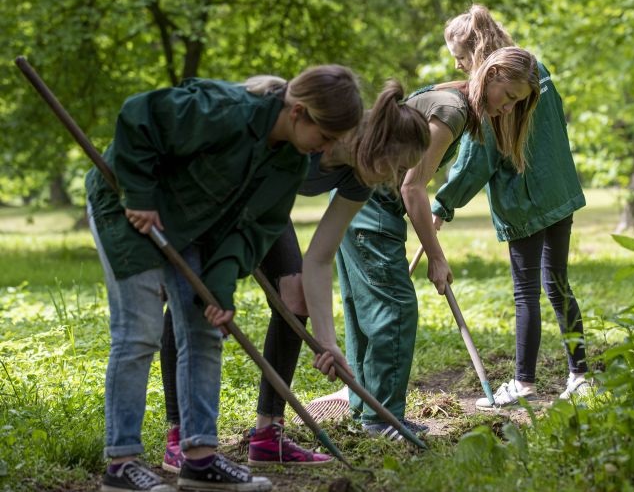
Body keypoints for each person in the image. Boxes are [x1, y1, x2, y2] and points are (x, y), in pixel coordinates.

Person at [86, 66, 362, 492]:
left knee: (204, 330)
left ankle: (200, 460)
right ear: (299, 112)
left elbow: (250, 230)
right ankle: (121, 465)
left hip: (191, 223)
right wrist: (139, 193)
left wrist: (221, 287)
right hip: (129, 208)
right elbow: (140, 115)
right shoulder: (226, 110)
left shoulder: (289, 163)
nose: (326, 149)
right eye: (325, 137)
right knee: (138, 332)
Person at [159, 80, 431, 468]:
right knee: (191, 294)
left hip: (268, 208)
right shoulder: (311, 127)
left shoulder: (360, 178)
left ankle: (268, 435)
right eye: (398, 166)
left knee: (296, 297)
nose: (397, 178)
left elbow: (319, 258)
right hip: (216, 192)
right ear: (376, 147)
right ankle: (179, 434)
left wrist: (327, 341)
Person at [337, 46, 540, 440]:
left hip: (356, 199)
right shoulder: (452, 111)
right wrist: (436, 257)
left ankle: (366, 409)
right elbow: (413, 187)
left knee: (365, 310)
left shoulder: (455, 96)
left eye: (517, 104)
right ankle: (382, 419)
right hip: (372, 205)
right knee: (393, 308)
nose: (507, 109)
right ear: (493, 73)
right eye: (509, 97)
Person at [433, 4, 590, 410]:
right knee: (557, 284)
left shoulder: (490, 92)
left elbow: (474, 162)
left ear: (475, 52)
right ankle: (580, 374)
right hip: (559, 194)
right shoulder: (536, 70)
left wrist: (442, 205)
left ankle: (523, 383)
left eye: (460, 57)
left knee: (527, 293)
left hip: (524, 202)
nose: (458, 64)